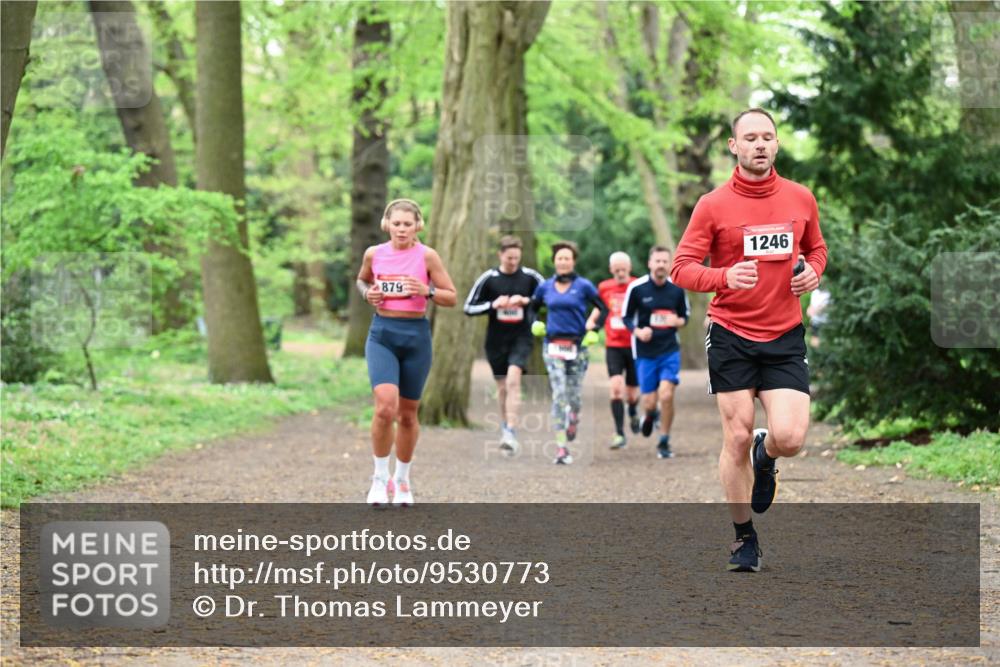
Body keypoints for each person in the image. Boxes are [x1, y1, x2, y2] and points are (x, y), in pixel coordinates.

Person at [671, 108, 827, 572]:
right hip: (732, 333)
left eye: (768, 137)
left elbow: (817, 249)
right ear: (734, 147)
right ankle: (744, 539)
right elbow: (682, 267)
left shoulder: (801, 198)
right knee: (735, 435)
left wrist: (812, 273)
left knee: (791, 436)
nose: (760, 144)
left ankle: (768, 454)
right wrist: (723, 275)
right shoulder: (712, 205)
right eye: (750, 137)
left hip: (783, 333)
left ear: (777, 145)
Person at [356, 198, 457, 507]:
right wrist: (368, 293)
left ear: (418, 226)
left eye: (407, 224)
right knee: (385, 407)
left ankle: (402, 479)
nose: (401, 229)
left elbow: (451, 297)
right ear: (387, 224)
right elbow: (362, 280)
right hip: (382, 334)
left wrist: (425, 290)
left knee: (408, 415)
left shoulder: (427, 257)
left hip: (415, 337)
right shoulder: (374, 254)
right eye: (396, 223)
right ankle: (378, 478)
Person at [528, 240, 608, 465]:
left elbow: (603, 308)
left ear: (573, 261)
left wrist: (594, 330)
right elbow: (532, 309)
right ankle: (561, 447)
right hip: (552, 345)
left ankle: (574, 417)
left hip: (578, 346)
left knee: (573, 396)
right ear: (555, 262)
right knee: (559, 393)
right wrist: (534, 323)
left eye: (567, 258)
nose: (563, 262)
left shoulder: (583, 286)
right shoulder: (545, 287)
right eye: (560, 258)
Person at [463, 235, 544, 454]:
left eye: (516, 258)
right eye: (509, 258)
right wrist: (493, 304)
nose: (513, 262)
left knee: (513, 381)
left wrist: (526, 301)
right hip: (495, 341)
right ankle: (506, 428)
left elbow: (549, 298)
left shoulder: (531, 278)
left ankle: (511, 431)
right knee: (502, 388)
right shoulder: (489, 278)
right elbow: (469, 307)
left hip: (522, 337)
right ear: (500, 255)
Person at [621, 246, 689, 459]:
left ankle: (664, 441)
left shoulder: (677, 289)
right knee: (649, 401)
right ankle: (651, 414)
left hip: (669, 350)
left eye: (664, 261)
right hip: (645, 352)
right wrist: (638, 332)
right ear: (650, 263)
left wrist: (677, 321)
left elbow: (685, 316)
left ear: (670, 264)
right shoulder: (637, 288)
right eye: (657, 261)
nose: (660, 265)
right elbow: (626, 317)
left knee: (667, 394)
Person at [587, 252, 641, 449]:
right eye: (616, 270)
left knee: (632, 393)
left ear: (629, 268)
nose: (620, 273)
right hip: (614, 345)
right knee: (616, 388)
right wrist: (591, 322)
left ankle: (633, 411)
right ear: (611, 270)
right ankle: (619, 433)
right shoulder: (604, 287)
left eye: (623, 269)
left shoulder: (638, 285)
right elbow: (601, 308)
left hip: (634, 345)